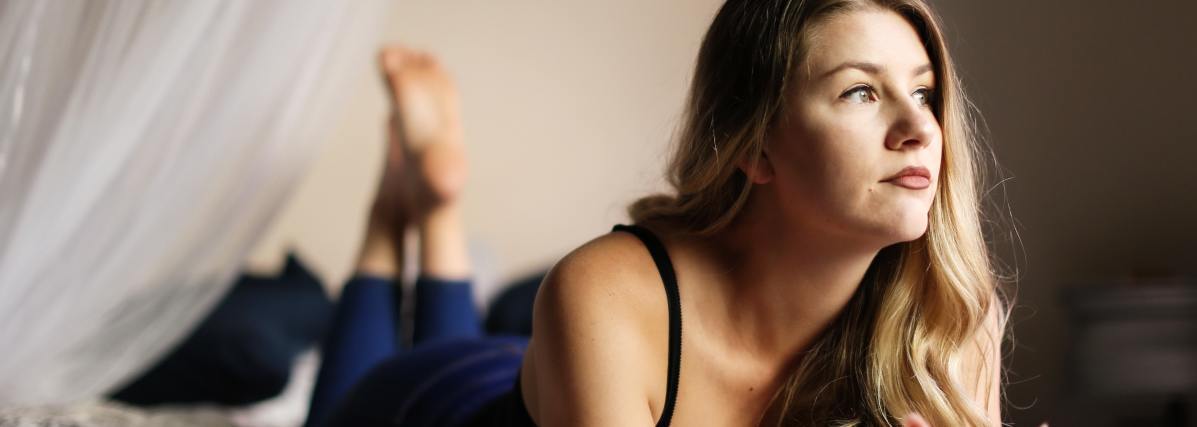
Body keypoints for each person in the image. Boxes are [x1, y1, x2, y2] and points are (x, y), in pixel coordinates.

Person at [307, 0, 1009, 426]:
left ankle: (422, 202)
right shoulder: (608, 290)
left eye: (923, 93)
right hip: (427, 406)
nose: (918, 129)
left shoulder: (948, 325)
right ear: (755, 147)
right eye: (859, 92)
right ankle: (408, 215)